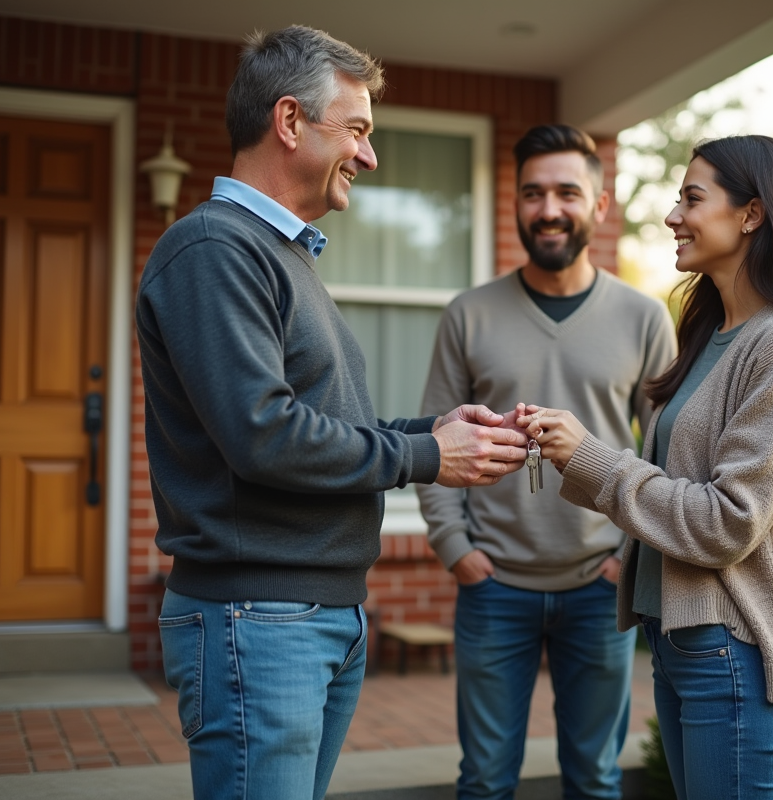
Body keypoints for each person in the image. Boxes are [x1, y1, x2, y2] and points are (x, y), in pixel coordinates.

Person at [135, 26, 529, 800]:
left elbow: (315, 424)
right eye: (357, 130)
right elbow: (264, 435)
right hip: (258, 618)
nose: (370, 155)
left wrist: (441, 431)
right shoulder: (214, 250)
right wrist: (427, 458)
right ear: (289, 122)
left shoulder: (284, 257)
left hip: (313, 614)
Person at [520, 135, 773, 800]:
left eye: (692, 199)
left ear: (752, 214)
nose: (673, 217)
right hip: (680, 643)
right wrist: (566, 448)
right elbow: (671, 483)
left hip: (735, 647)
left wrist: (590, 456)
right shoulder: (707, 336)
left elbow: (728, 522)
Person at [416, 124, 677, 800]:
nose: (549, 208)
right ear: (516, 204)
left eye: (567, 191)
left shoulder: (645, 319)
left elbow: (665, 452)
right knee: (483, 781)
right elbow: (435, 438)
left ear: (600, 203)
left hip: (599, 586)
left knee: (593, 780)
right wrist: (455, 548)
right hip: (492, 585)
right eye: (533, 193)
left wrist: (629, 553)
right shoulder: (468, 315)